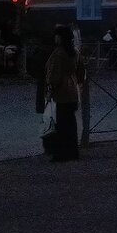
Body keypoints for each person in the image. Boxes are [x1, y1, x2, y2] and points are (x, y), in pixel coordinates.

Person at [44, 24, 85, 162]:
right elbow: (81, 71)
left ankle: (62, 153)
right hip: (73, 90)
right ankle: (72, 151)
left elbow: (54, 75)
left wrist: (50, 88)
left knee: (61, 123)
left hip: (62, 91)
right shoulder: (74, 51)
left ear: (60, 37)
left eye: (56, 35)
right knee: (71, 123)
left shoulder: (59, 53)